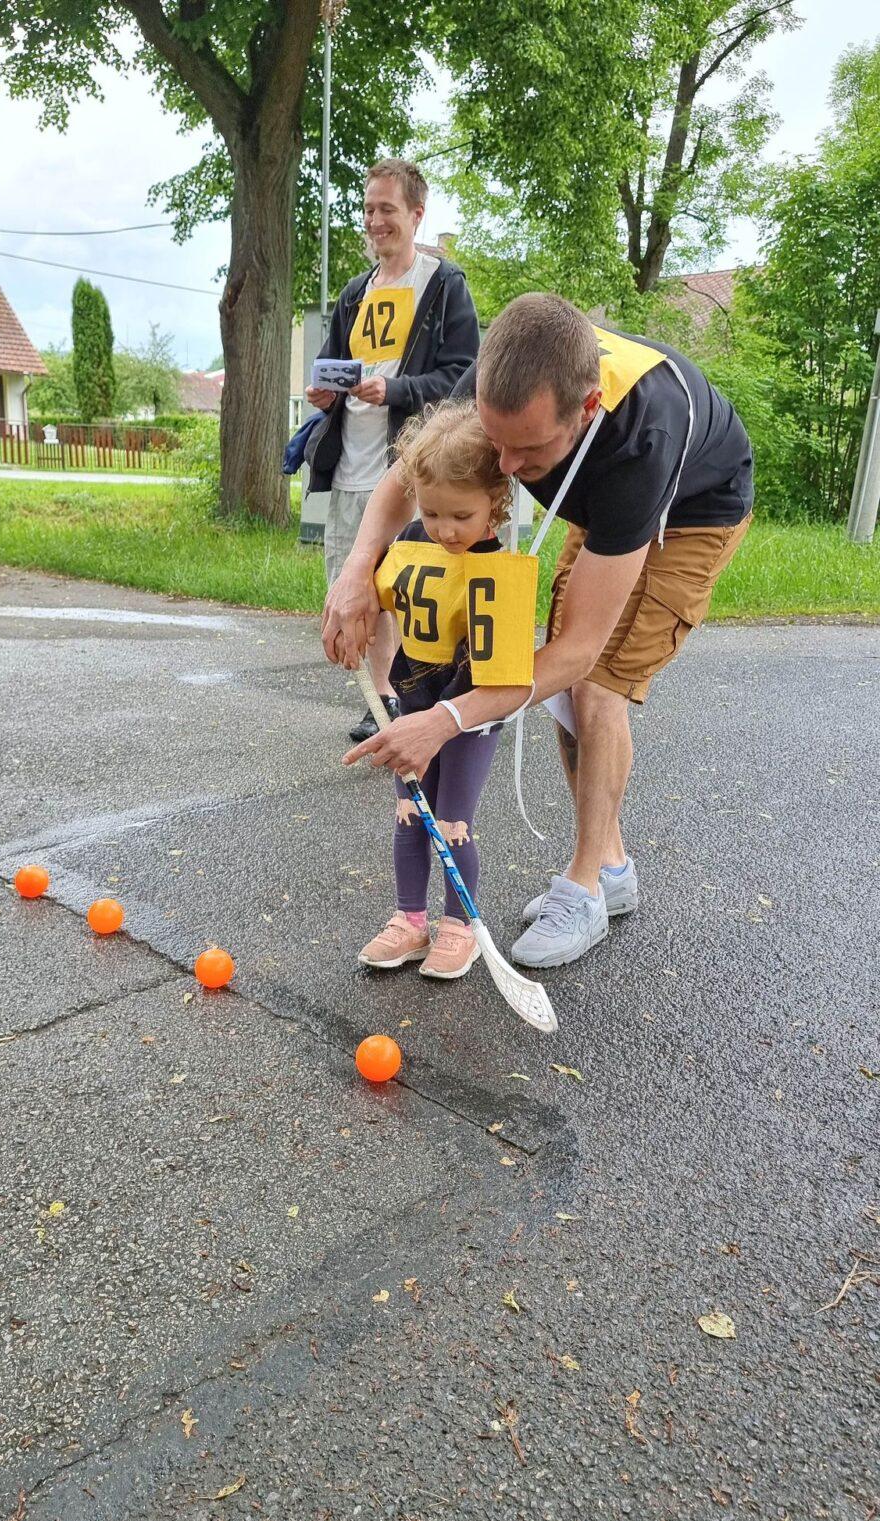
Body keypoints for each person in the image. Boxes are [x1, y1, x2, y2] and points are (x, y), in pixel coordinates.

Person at [324, 293, 754, 970]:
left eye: (525, 450)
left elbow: (576, 653)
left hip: (694, 510)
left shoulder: (642, 438)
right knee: (561, 695)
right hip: (600, 496)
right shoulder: (503, 377)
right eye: (495, 440)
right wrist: (357, 571)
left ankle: (586, 889)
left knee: (596, 685)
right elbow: (409, 477)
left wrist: (445, 720)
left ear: (584, 411)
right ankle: (611, 865)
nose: (502, 464)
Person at [305, 158, 480, 742]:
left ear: (416, 214)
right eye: (368, 209)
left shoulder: (442, 286)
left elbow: (464, 377)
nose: (376, 221)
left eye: (388, 210)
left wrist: (397, 389)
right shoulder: (354, 293)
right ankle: (381, 698)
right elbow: (333, 365)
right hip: (349, 463)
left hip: (412, 468)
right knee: (362, 584)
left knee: (411, 581)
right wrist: (324, 397)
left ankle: (425, 694)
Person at [356, 400, 510, 980]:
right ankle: (410, 920)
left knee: (452, 821)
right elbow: (382, 597)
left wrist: (458, 711)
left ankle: (460, 927)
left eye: (461, 516)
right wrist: (360, 617)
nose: (444, 529)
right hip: (412, 701)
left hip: (470, 710)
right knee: (407, 815)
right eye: (432, 510)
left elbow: (502, 669)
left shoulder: (498, 567)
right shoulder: (413, 542)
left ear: (495, 505)